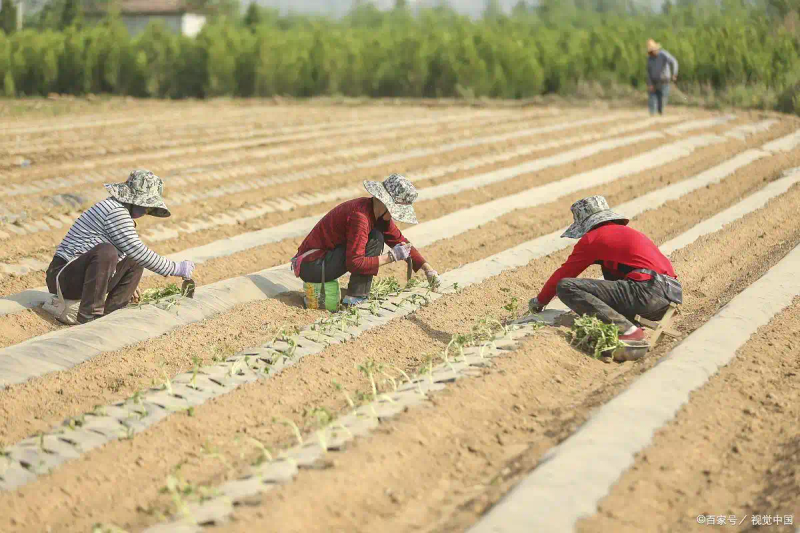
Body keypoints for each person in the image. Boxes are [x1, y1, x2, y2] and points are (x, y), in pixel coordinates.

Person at [45, 170, 196, 324]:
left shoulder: (121, 211)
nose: (146, 211)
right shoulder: (115, 211)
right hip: (63, 275)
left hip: (83, 275)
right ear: (133, 199)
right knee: (108, 252)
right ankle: (89, 318)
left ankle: (111, 315)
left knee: (133, 259)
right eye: (146, 206)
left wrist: (127, 279)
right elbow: (137, 250)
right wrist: (175, 268)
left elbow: (131, 254)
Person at [528, 195, 683, 342]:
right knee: (610, 271)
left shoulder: (592, 238)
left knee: (566, 286)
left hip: (646, 293)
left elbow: (564, 274)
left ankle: (626, 330)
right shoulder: (628, 233)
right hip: (670, 297)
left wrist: (540, 301)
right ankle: (629, 324)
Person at [291, 173, 439, 307]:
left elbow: (400, 241)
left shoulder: (375, 213)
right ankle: (355, 298)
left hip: (320, 261)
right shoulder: (360, 218)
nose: (394, 217)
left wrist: (428, 269)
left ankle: (356, 295)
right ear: (387, 205)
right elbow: (354, 262)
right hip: (312, 265)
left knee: (376, 236)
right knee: (375, 238)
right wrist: (391, 256)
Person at [646, 38, 679, 116]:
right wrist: (650, 84)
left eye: (653, 50)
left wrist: (674, 74)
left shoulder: (664, 54)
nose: (652, 52)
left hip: (664, 81)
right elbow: (649, 72)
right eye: (651, 51)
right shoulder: (649, 59)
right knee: (652, 99)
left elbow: (674, 62)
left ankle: (660, 113)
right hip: (654, 82)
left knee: (662, 98)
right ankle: (652, 114)